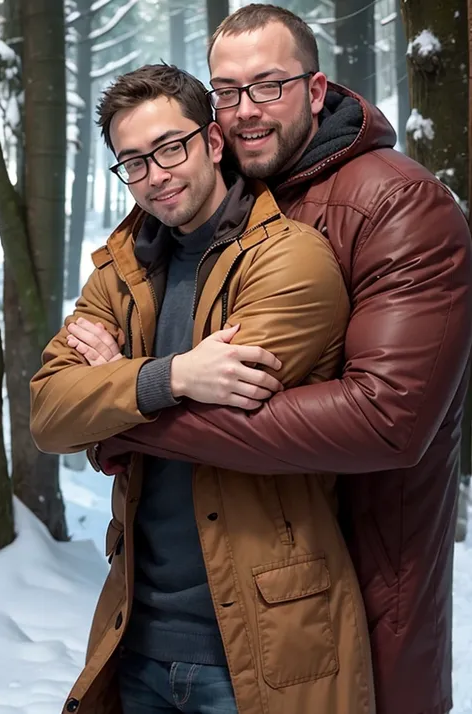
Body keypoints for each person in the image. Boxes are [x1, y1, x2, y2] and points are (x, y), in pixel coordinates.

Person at [84, 5, 472, 714]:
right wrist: (129, 388)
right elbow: (85, 363)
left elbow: (386, 420)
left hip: (358, 583)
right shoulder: (201, 195)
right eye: (226, 91)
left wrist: (128, 413)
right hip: (183, 619)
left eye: (270, 86)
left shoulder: (398, 201)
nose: (245, 112)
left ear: (317, 91)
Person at [29, 64, 376, 714]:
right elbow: (49, 412)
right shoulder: (121, 268)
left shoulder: (289, 257)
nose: (154, 175)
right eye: (132, 161)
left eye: (169, 147)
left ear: (213, 142)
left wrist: (108, 417)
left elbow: (239, 422)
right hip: (137, 638)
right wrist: (174, 376)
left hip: (266, 645)